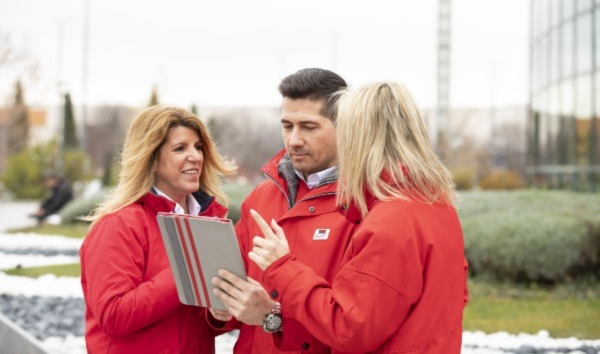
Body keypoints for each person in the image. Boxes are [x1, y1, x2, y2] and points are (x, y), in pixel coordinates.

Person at [249, 82, 469, 353]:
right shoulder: (435, 204)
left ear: (361, 139)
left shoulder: (391, 221)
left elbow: (350, 328)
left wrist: (283, 268)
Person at [212, 68, 358, 353]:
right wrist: (220, 310)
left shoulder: (362, 206)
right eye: (287, 126)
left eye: (308, 126)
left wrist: (272, 317)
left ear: (344, 126)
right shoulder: (260, 199)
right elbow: (237, 293)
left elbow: (353, 325)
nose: (294, 140)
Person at [79, 105, 236, 353]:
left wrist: (219, 314)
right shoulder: (119, 225)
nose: (195, 156)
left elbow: (201, 322)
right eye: (179, 148)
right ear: (151, 160)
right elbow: (113, 316)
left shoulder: (209, 221)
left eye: (198, 147)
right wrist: (187, 268)